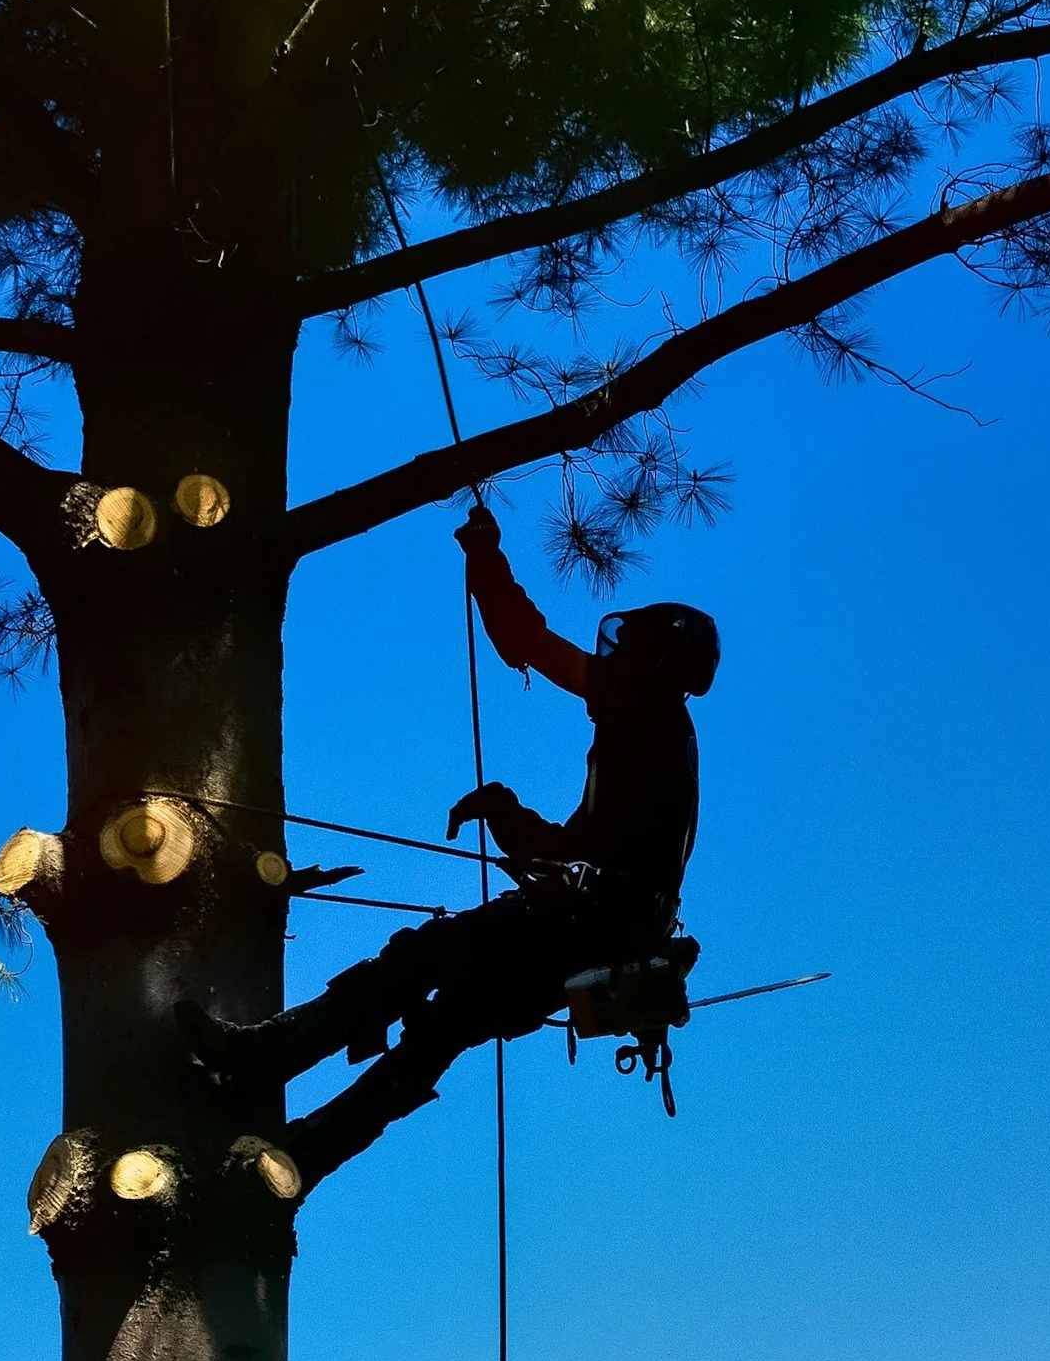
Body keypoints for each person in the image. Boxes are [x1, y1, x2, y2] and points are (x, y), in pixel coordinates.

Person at [178, 503, 718, 1179]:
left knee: (425, 962)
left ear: (654, 665)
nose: (606, 666)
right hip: (591, 933)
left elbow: (528, 641)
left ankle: (265, 1063)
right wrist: (506, 812)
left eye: (627, 654)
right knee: (448, 1017)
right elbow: (577, 849)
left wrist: (486, 554)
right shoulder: (648, 737)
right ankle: (299, 1153)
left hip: (582, 929)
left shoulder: (652, 727)